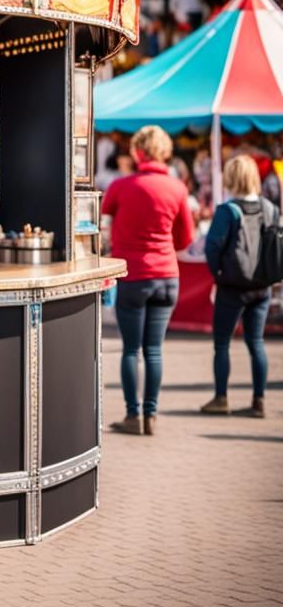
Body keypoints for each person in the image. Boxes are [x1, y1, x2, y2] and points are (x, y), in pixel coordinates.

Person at [101, 125, 194, 436]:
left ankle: (132, 416)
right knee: (154, 350)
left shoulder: (121, 186)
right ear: (165, 151)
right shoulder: (177, 188)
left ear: (137, 151)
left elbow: (103, 212)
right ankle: (151, 415)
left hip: (134, 274)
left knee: (131, 350)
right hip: (167, 275)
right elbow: (185, 238)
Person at [201, 154, 276, 418]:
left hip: (232, 285)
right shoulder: (270, 208)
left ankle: (221, 398)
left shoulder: (227, 211)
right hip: (261, 285)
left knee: (222, 343)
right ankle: (259, 401)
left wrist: (218, 274)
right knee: (256, 342)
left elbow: (211, 247)